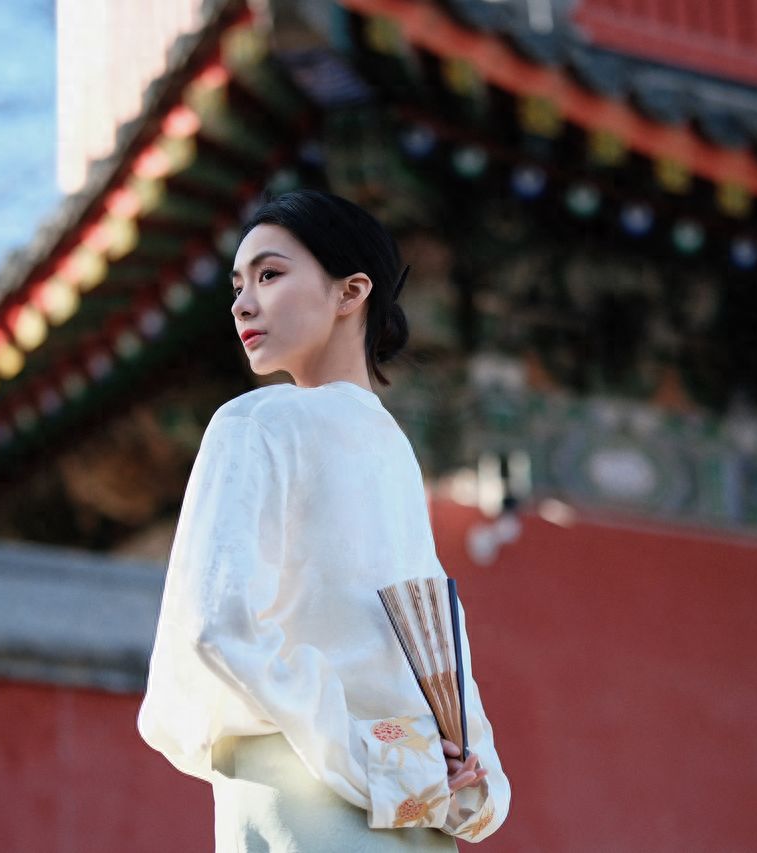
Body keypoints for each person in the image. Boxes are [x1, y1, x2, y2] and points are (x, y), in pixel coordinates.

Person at [137, 189, 509, 850]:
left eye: (270, 274)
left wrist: (434, 769)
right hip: (334, 793)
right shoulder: (261, 422)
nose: (242, 303)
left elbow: (429, 636)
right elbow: (218, 627)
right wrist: (428, 769)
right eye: (238, 284)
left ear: (351, 290)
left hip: (381, 794)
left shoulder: (353, 441)